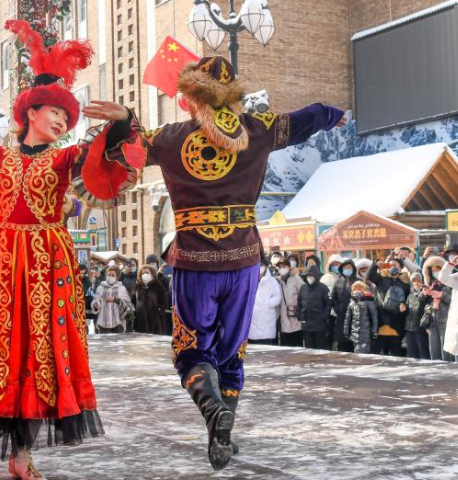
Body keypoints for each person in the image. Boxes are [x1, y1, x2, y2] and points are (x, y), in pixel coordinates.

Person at [0, 21, 141, 479]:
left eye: (67, 117)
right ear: (31, 111)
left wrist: (123, 121)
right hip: (1, 263)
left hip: (45, 263)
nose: (61, 122)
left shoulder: (64, 158)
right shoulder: (0, 156)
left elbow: (107, 157)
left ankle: (23, 453)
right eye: (55, 112)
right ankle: (15, 447)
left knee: (41, 352)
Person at [135, 54, 344, 469]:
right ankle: (222, 434)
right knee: (232, 353)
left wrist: (120, 125)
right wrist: (332, 114)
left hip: (195, 261)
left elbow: (126, 151)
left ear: (192, 96)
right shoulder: (259, 129)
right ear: (234, 98)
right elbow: (306, 118)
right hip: (245, 259)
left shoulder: (169, 137)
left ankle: (213, 410)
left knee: (192, 351)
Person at [368, 257, 410, 356]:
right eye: (390, 265)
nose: (392, 267)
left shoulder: (405, 283)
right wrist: (376, 264)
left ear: (400, 268)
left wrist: (405, 306)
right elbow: (370, 276)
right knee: (377, 352)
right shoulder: (381, 278)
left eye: (395, 265)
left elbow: (409, 300)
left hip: (397, 322)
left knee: (395, 352)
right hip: (381, 320)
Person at [420, 255, 453, 361]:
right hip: (431, 320)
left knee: (446, 352)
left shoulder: (449, 282)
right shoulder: (428, 283)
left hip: (445, 320)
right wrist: (424, 294)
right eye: (432, 269)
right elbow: (420, 300)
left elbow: (453, 299)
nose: (434, 271)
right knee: (434, 351)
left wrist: (440, 295)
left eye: (437, 268)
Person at [297, 264, 331, 349]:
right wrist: (300, 316)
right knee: (308, 347)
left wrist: (324, 316)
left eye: (311, 275)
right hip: (307, 324)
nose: (309, 278)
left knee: (320, 347)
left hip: (319, 324)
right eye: (308, 276)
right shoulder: (303, 287)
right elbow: (299, 302)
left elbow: (328, 303)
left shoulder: (323, 288)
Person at [248, 259, 281, 345]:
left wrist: (268, 303)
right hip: (253, 317)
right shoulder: (249, 279)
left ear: (266, 266)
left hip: (267, 316)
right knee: (254, 347)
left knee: (267, 347)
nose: (260, 267)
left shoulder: (272, 281)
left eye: (262, 265)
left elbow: (277, 296)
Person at [92, 265, 133, 334]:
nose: (110, 276)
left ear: (117, 277)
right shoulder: (100, 288)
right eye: (109, 275)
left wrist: (115, 299)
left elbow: (128, 304)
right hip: (103, 324)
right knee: (105, 344)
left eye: (113, 275)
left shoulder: (122, 288)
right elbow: (95, 301)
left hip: (118, 324)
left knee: (117, 344)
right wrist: (96, 305)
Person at [132, 264, 170, 335]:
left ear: (152, 274)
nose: (145, 274)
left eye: (147, 273)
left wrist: (159, 313)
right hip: (140, 321)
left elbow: (164, 301)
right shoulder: (137, 287)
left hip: (155, 322)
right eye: (143, 273)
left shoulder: (158, 285)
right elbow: (133, 301)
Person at [343, 281, 379, 354]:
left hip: (365, 334)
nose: (357, 291)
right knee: (358, 352)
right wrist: (346, 331)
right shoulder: (352, 303)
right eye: (355, 290)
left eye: (359, 289)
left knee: (360, 352)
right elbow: (347, 319)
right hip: (354, 334)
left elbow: (374, 318)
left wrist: (374, 331)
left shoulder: (369, 302)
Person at [331, 258, 358, 352]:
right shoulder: (338, 281)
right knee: (342, 342)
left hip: (354, 317)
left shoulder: (358, 281)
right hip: (341, 316)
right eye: (345, 267)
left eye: (349, 267)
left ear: (353, 269)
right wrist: (337, 309)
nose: (347, 269)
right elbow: (333, 296)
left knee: (353, 341)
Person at [277, 258, 304, 347]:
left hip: (296, 317)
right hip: (284, 319)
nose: (282, 269)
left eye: (284, 266)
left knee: (297, 346)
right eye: (280, 267)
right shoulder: (278, 281)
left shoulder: (296, 279)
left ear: (289, 267)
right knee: (286, 348)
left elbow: (303, 294)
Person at [404, 272, 430, 360]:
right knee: (412, 353)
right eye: (414, 281)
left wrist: (427, 326)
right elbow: (407, 310)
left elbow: (425, 304)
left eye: (419, 281)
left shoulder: (425, 293)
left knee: (424, 353)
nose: (416, 283)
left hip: (420, 328)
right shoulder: (410, 295)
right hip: (409, 328)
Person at [320, 254, 344, 349]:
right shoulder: (325, 278)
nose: (336, 266)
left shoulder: (343, 278)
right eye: (334, 264)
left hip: (340, 311)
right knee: (329, 335)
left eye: (338, 264)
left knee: (340, 335)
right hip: (329, 313)